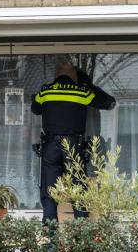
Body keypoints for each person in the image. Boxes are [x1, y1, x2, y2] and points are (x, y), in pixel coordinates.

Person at [31, 61, 116, 223]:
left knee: (49, 193)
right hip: (73, 147)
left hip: (50, 147)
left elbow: (35, 109)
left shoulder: (45, 92)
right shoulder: (81, 92)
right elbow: (109, 103)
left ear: (56, 76)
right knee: (78, 194)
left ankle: (50, 243)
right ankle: (81, 239)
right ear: (74, 77)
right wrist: (88, 85)